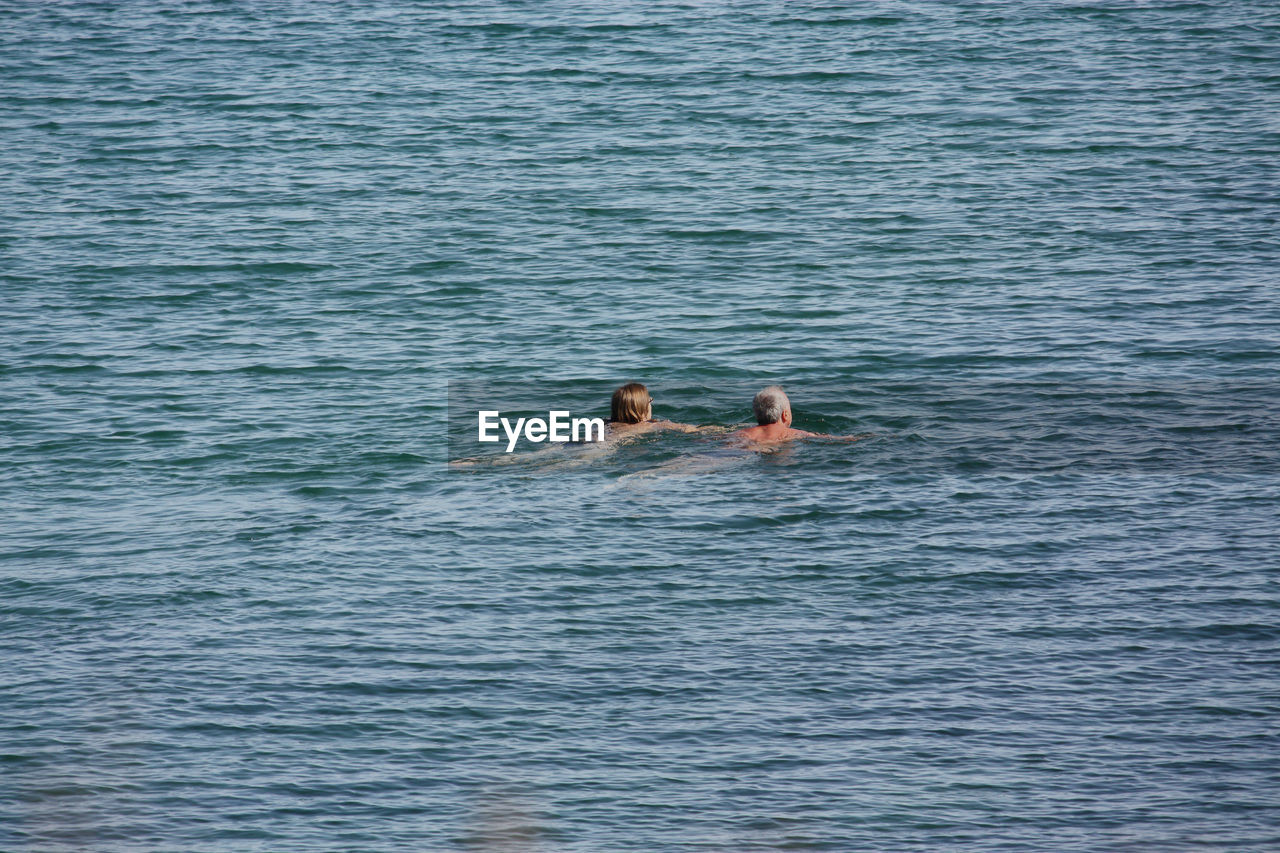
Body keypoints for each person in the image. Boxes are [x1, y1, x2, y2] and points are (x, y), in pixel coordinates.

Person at [731, 385, 865, 445]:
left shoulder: (739, 433)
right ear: (785, 415)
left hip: (741, 448)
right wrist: (857, 438)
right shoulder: (796, 434)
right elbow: (833, 439)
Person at [607, 383, 699, 437]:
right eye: (649, 400)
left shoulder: (605, 424)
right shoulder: (655, 425)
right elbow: (690, 429)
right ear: (643, 408)